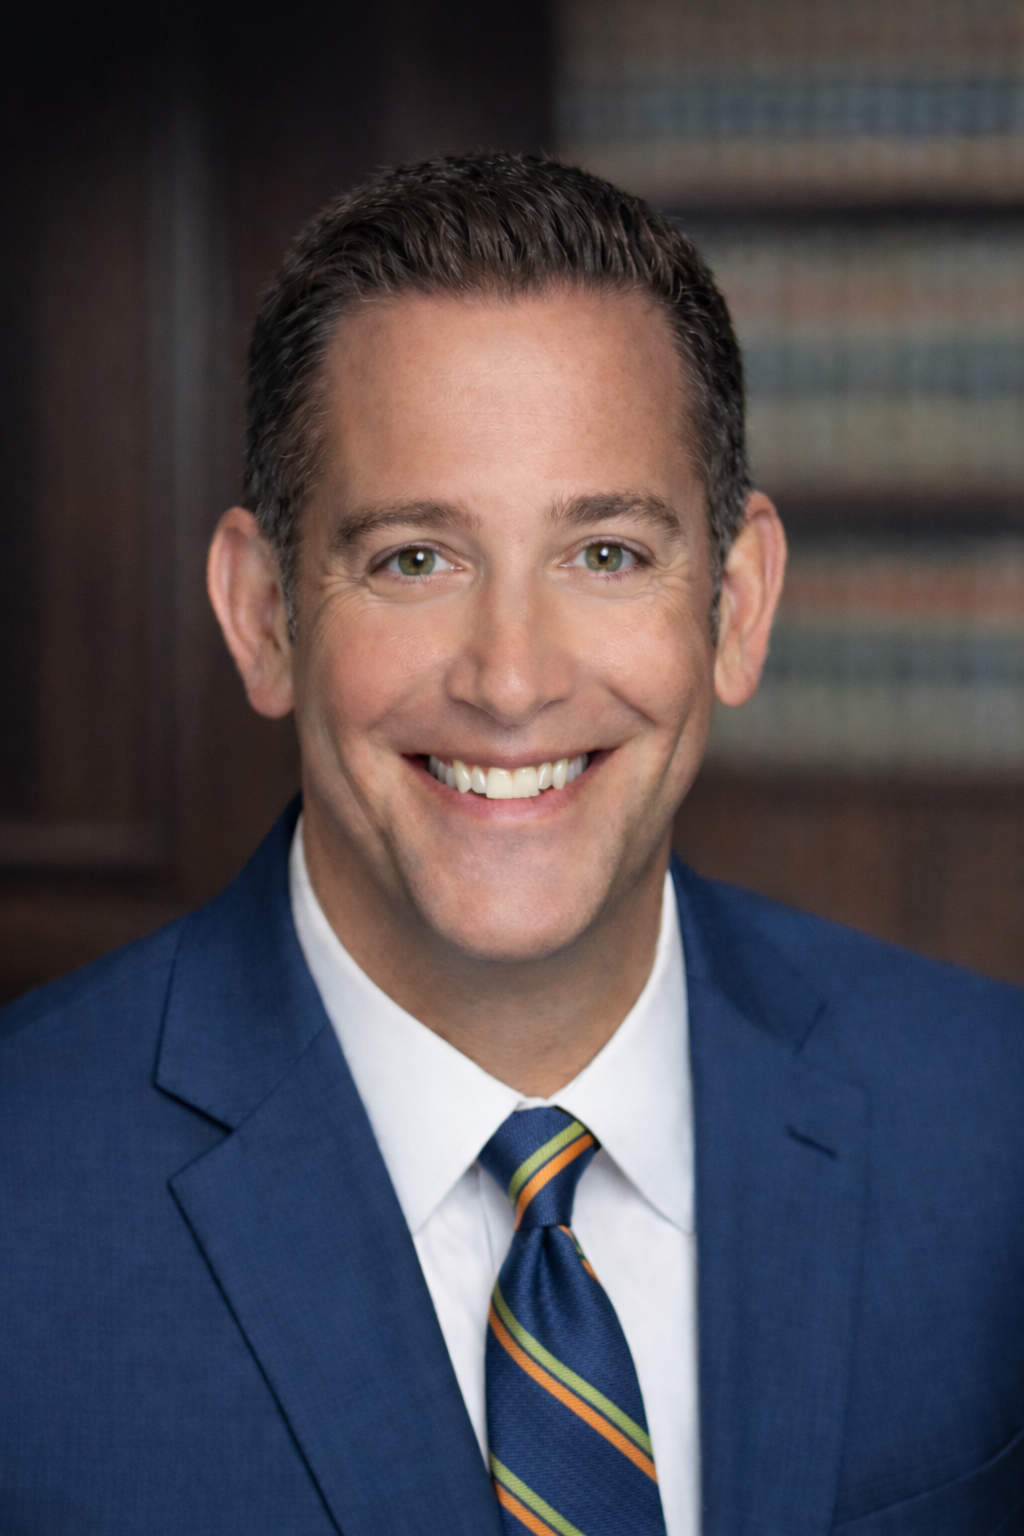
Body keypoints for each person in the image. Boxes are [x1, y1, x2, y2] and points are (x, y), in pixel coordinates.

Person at [1, 154, 1023, 1536]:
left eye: (605, 552)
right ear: (261, 614)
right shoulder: (26, 1193)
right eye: (415, 557)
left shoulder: (990, 1133)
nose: (511, 677)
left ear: (734, 604)